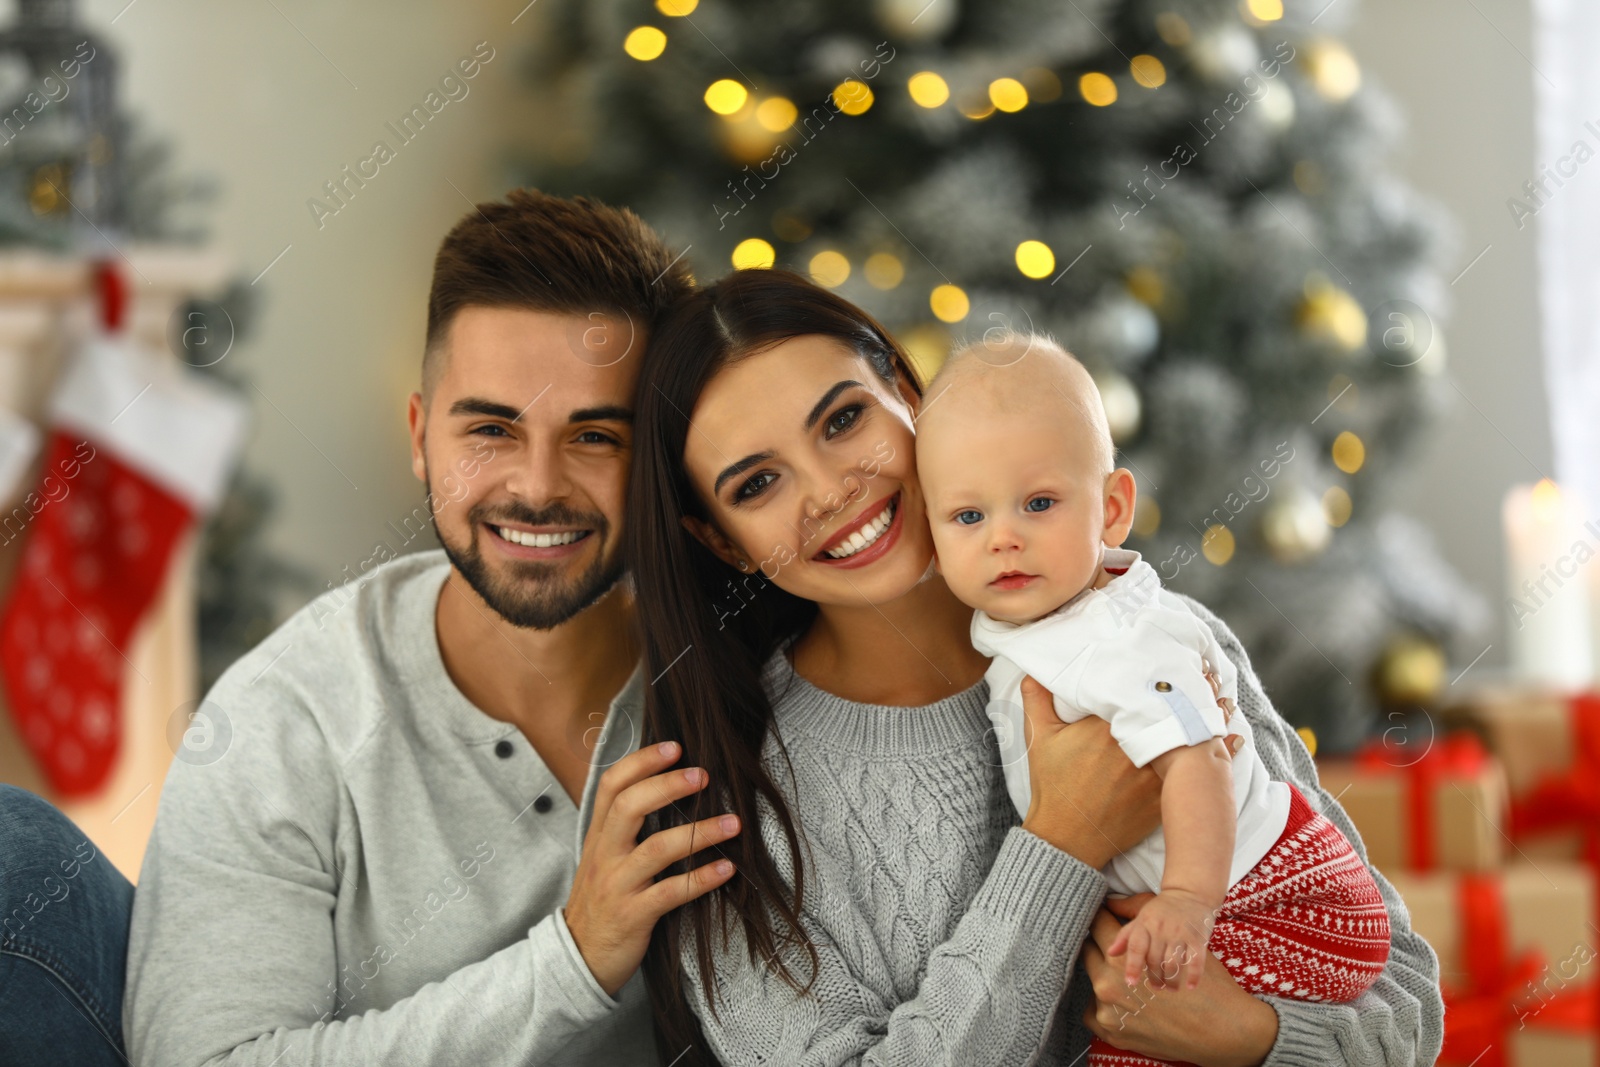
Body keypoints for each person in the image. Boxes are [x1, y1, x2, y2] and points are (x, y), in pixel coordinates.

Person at [625, 267, 1444, 1066]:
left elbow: (1404, 1002)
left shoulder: (1151, 631)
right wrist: (1062, 841)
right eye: (759, 482)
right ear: (723, 540)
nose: (832, 488)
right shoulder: (732, 806)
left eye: (843, 421)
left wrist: (1252, 1038)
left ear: (912, 402)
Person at [0, 189, 730, 1066]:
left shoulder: (740, 665)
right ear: (422, 437)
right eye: (491, 428)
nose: (537, 486)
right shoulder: (289, 717)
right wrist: (571, 961)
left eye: (596, 436)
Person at [916, 333, 1393, 1067]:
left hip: (1271, 892)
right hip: (1211, 896)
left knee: (1134, 1038)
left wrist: (1189, 900)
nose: (1004, 538)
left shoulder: (1122, 635)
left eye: (1038, 503)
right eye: (968, 517)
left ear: (1110, 510)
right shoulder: (1032, 621)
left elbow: (1199, 758)